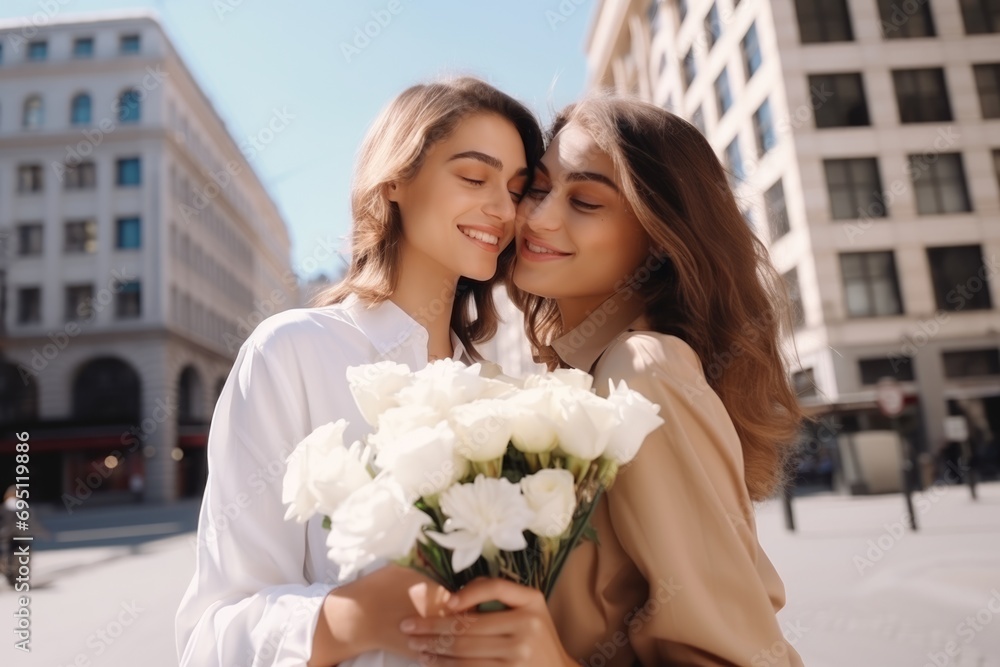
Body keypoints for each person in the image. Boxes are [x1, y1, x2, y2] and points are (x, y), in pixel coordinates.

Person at [396, 97, 806, 665]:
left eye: (586, 201)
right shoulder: (579, 376)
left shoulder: (643, 371)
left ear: (660, 238)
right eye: (537, 189)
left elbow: (736, 653)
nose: (538, 218)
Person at [174, 77, 544, 667]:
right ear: (394, 179)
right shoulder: (292, 353)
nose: (502, 210)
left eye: (517, 190)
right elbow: (210, 639)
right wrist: (354, 616)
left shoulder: (499, 393)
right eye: (474, 178)